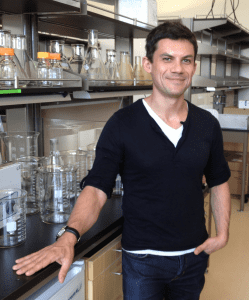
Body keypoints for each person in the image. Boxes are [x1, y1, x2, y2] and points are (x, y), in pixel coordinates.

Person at [13, 21, 231, 299]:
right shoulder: (122, 124)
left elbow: (219, 179)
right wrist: (69, 236)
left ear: (194, 66)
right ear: (148, 64)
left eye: (186, 60)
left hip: (193, 256)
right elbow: (97, 187)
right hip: (142, 260)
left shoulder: (207, 125)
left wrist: (222, 233)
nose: (178, 68)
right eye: (167, 59)